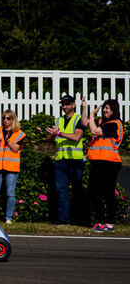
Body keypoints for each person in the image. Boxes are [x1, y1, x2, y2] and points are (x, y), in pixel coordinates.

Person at [43, 94, 86, 225]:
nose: (64, 106)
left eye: (67, 104)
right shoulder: (59, 120)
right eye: (63, 104)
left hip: (75, 160)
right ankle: (63, 218)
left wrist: (58, 133)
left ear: (73, 105)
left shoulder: (79, 119)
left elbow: (76, 137)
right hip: (61, 160)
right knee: (61, 190)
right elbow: (50, 140)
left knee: (77, 190)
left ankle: (78, 218)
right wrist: (51, 135)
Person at [83, 98, 123, 232]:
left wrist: (92, 117)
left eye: (108, 108)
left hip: (110, 162)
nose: (105, 110)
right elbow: (86, 123)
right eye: (104, 107)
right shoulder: (102, 122)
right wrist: (86, 110)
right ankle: (100, 221)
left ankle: (110, 222)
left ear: (114, 110)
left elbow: (94, 131)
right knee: (94, 192)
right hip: (97, 161)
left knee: (108, 193)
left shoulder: (114, 124)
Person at [0, 109, 26, 224]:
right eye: (4, 118)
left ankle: (8, 217)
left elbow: (15, 149)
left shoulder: (19, 134)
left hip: (11, 167)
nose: (5, 120)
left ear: (13, 119)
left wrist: (8, 141)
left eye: (8, 118)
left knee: (10, 193)